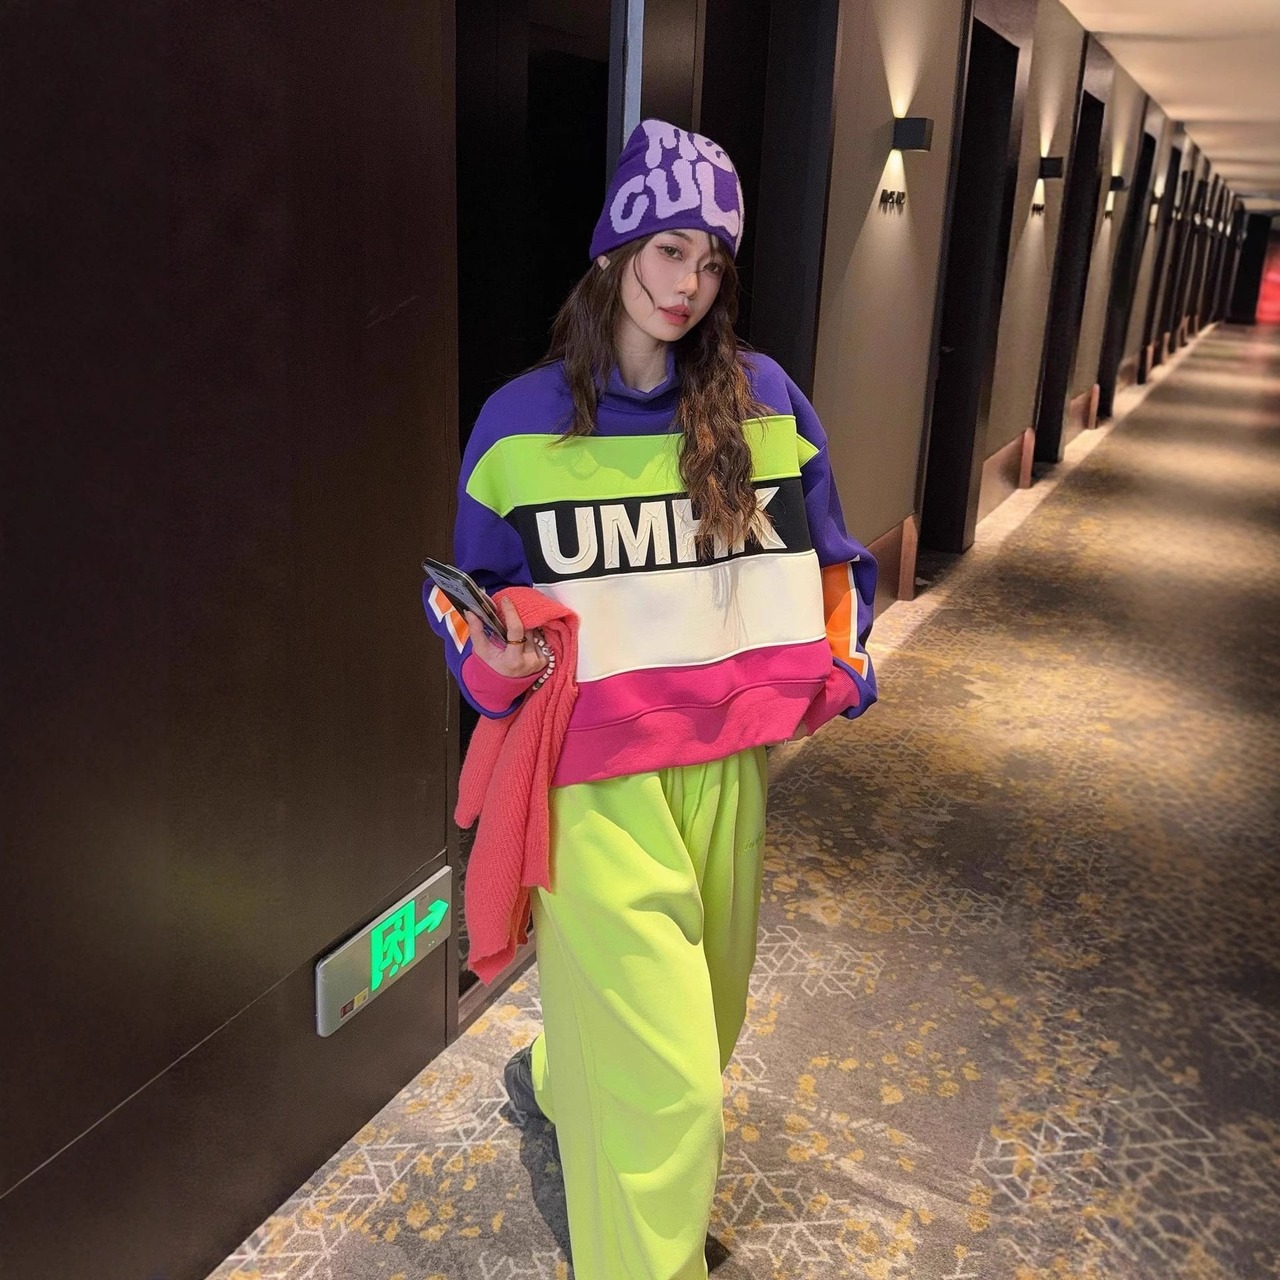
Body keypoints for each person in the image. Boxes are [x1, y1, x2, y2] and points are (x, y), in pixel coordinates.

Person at [425, 118, 877, 1280]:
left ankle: (552, 1077)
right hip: (589, 781)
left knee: (703, 1023)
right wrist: (496, 662)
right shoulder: (519, 421)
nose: (687, 284)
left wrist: (838, 665)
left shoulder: (765, 400)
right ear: (616, 248)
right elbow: (469, 606)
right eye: (669, 249)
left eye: (710, 261)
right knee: (670, 1079)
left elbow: (829, 560)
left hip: (727, 765)